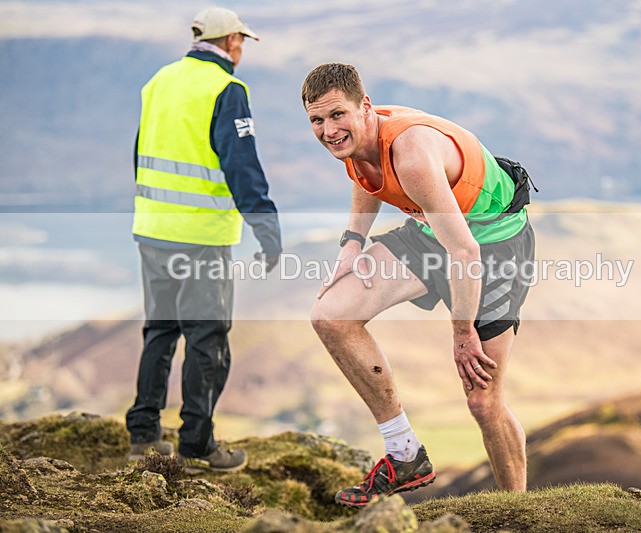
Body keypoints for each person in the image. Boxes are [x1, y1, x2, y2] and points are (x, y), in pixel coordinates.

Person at [302, 63, 535, 506]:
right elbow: (366, 174)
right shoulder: (356, 139)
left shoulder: (410, 154)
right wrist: (353, 243)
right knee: (331, 315)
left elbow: (465, 253)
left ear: (364, 108)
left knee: (483, 402)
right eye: (317, 120)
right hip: (434, 234)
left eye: (337, 116)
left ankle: (515, 511)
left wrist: (463, 333)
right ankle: (405, 455)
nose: (329, 131)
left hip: (494, 246)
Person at [126, 6, 282, 473]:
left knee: (160, 331)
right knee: (206, 337)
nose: (243, 50)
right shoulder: (227, 89)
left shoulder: (159, 81)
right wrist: (266, 227)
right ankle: (196, 446)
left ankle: (143, 436)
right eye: (242, 41)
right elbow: (242, 165)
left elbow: (141, 152)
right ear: (231, 41)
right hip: (201, 236)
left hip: (152, 228)